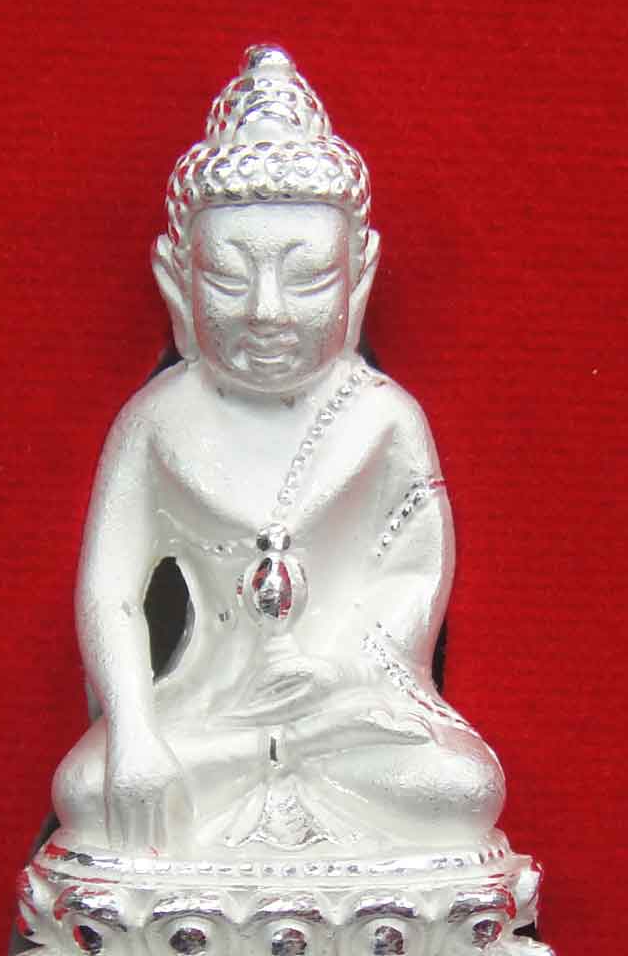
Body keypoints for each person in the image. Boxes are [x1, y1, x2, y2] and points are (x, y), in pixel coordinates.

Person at [53, 46, 504, 857]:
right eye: (228, 279)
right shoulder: (156, 424)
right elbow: (111, 592)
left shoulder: (383, 420)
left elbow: (413, 574)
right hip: (209, 713)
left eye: (308, 279)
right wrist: (136, 733)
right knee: (88, 790)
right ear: (177, 281)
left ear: (358, 280)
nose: (267, 311)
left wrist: (338, 670)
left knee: (463, 788)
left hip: (344, 714)